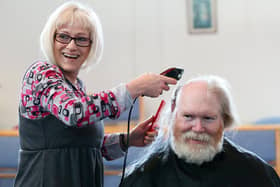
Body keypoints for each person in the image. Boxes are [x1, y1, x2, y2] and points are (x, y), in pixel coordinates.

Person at [14, 2, 177, 187]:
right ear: (51, 39)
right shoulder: (40, 73)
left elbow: (86, 148)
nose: (72, 46)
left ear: (92, 46)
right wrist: (134, 88)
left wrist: (127, 140)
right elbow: (74, 113)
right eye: (63, 37)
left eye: (81, 39)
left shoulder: (76, 87)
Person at [121, 75, 280, 187]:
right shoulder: (143, 178)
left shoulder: (256, 175)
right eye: (188, 116)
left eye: (208, 118)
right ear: (173, 113)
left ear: (224, 119)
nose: (197, 128)